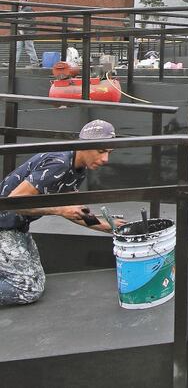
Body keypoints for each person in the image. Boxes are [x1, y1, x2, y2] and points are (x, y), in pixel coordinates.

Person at [0, 120, 121, 305]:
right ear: (84, 145)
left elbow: (73, 210)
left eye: (109, 153)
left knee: (37, 281)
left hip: (17, 227)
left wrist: (108, 227)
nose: (106, 160)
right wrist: (59, 210)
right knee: (27, 290)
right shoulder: (59, 163)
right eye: (101, 151)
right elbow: (12, 202)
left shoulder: (78, 168)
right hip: (3, 227)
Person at [15, 0, 39, 67]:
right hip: (22, 32)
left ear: (26, 1)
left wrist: (23, 27)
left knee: (29, 48)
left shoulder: (28, 8)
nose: (20, 1)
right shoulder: (21, 9)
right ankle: (13, 63)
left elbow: (32, 20)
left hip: (28, 32)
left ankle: (35, 63)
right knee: (17, 48)